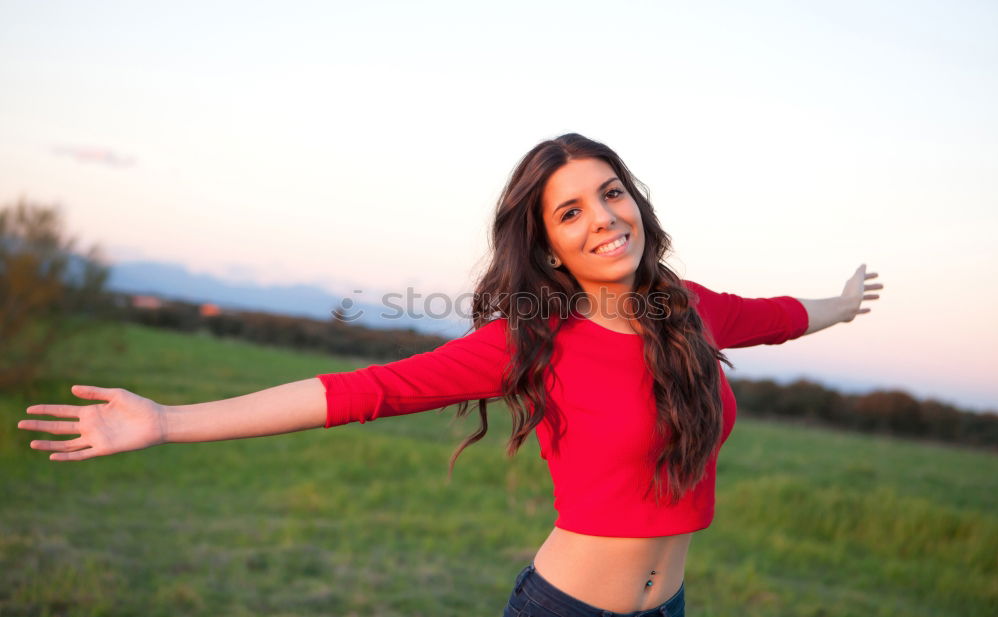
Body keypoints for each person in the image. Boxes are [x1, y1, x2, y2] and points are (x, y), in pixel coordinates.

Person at [18, 133, 882, 617]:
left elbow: (781, 316)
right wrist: (167, 420)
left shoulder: (686, 308)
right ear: (547, 243)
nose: (603, 218)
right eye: (571, 210)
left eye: (612, 193)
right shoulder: (532, 340)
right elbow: (360, 391)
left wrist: (843, 303)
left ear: (638, 205)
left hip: (669, 609)